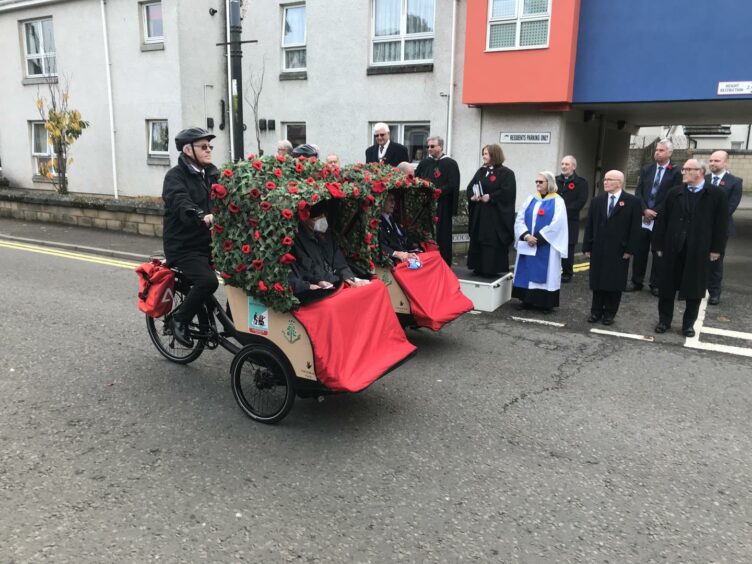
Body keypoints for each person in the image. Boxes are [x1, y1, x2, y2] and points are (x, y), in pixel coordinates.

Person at [653, 159, 728, 337]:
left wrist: (716, 249)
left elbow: (721, 225)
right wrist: (658, 244)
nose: (683, 172)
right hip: (673, 247)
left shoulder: (716, 194)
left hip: (698, 249)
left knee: (694, 289)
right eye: (683, 169)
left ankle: (688, 325)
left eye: (687, 169)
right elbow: (662, 221)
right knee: (667, 288)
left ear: (699, 172)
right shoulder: (674, 193)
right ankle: (664, 321)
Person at [162, 127, 220, 347]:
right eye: (203, 147)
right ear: (188, 150)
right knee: (208, 281)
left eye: (210, 146)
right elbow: (180, 202)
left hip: (207, 243)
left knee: (243, 273)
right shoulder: (175, 177)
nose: (208, 151)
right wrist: (200, 215)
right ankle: (179, 320)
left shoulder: (212, 173)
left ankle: (236, 321)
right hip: (184, 247)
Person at [582, 170, 641, 325]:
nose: (605, 182)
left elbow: (635, 229)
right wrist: (587, 246)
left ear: (619, 182)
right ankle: (596, 311)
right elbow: (590, 225)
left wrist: (630, 250)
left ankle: (609, 313)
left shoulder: (632, 202)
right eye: (605, 179)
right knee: (598, 281)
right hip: (599, 247)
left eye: (609, 179)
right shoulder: (597, 201)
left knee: (614, 282)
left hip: (619, 250)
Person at [628, 139, 683, 295]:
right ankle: (636, 281)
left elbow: (673, 196)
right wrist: (645, 209)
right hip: (644, 216)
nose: (657, 152)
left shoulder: (676, 172)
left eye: (661, 150)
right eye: (657, 150)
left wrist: (655, 211)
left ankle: (656, 284)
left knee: (658, 251)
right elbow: (639, 192)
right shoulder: (647, 169)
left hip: (661, 218)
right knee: (640, 250)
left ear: (670, 153)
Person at [288, 201, 369, 304]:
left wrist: (349, 279)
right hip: (324, 286)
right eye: (317, 218)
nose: (322, 220)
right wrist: (340, 282)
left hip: (338, 282)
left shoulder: (325, 235)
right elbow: (310, 268)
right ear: (305, 220)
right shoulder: (297, 241)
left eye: (323, 215)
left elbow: (339, 262)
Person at [512, 171, 568, 311]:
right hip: (528, 243)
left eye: (541, 182)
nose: (537, 184)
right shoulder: (531, 198)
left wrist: (538, 238)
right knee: (526, 270)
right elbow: (520, 219)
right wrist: (526, 236)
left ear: (549, 183)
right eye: (536, 181)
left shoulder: (558, 201)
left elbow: (558, 224)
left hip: (546, 245)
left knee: (547, 273)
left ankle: (545, 303)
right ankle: (526, 300)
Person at [466, 144, 516, 276]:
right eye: (483, 153)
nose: (484, 156)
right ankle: (478, 266)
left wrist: (491, 197)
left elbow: (508, 193)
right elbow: (470, 187)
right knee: (478, 238)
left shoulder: (507, 173)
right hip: (480, 213)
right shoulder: (481, 171)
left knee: (491, 241)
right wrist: (473, 196)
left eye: (486, 154)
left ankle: (490, 269)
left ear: (494, 155)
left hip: (495, 216)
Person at [415, 136, 461, 265]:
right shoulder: (424, 163)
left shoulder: (450, 163)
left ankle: (443, 263)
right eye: (428, 146)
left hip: (443, 206)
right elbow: (416, 180)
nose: (429, 149)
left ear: (440, 146)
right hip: (425, 206)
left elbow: (453, 184)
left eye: (432, 146)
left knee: (442, 235)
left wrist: (438, 191)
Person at [705, 150, 743, 305]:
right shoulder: (703, 179)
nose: (713, 163)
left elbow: (729, 208)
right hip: (699, 227)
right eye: (711, 160)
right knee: (694, 258)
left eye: (717, 161)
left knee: (715, 261)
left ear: (726, 163)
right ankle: (693, 288)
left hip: (720, 229)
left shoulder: (735, 182)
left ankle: (714, 293)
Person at [555, 155, 589, 283]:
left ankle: (567, 272)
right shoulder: (555, 180)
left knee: (568, 247)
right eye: (562, 164)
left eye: (567, 164)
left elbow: (580, 201)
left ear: (573, 167)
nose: (563, 166)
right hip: (554, 220)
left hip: (570, 220)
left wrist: (562, 212)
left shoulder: (581, 182)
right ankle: (553, 270)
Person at [379, 191, 420, 263]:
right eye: (390, 200)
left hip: (407, 253)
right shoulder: (378, 221)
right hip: (394, 259)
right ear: (382, 201)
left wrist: (415, 246)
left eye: (394, 200)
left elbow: (402, 237)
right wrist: (397, 253)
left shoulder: (394, 218)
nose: (393, 203)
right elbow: (381, 244)